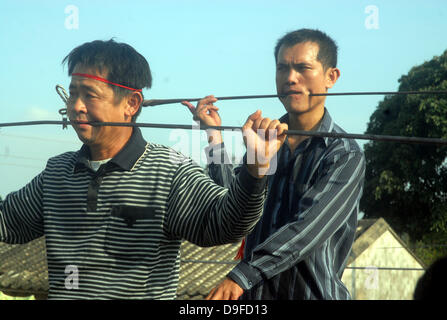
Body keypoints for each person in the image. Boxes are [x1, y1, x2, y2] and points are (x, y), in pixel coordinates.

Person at [0, 39, 288, 299]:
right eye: (72, 94)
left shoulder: (169, 171)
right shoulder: (57, 173)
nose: (76, 106)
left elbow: (225, 225)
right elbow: (6, 221)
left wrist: (255, 171)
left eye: (90, 95)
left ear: (131, 103)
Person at [183, 29, 366, 300]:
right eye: (283, 68)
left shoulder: (344, 155)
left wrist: (241, 276)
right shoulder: (265, 140)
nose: (291, 78)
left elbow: (305, 230)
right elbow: (232, 205)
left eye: (303, 68)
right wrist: (213, 136)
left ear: (331, 76)